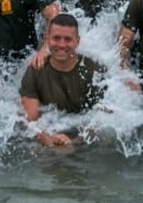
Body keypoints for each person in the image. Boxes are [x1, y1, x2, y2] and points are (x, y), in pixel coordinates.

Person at [19, 14, 108, 148]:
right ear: (47, 39)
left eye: (68, 39)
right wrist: (47, 141)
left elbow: (104, 121)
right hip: (51, 134)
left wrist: (74, 143)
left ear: (77, 41)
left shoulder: (94, 70)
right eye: (56, 38)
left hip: (85, 141)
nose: (61, 45)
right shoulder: (35, 71)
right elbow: (30, 122)